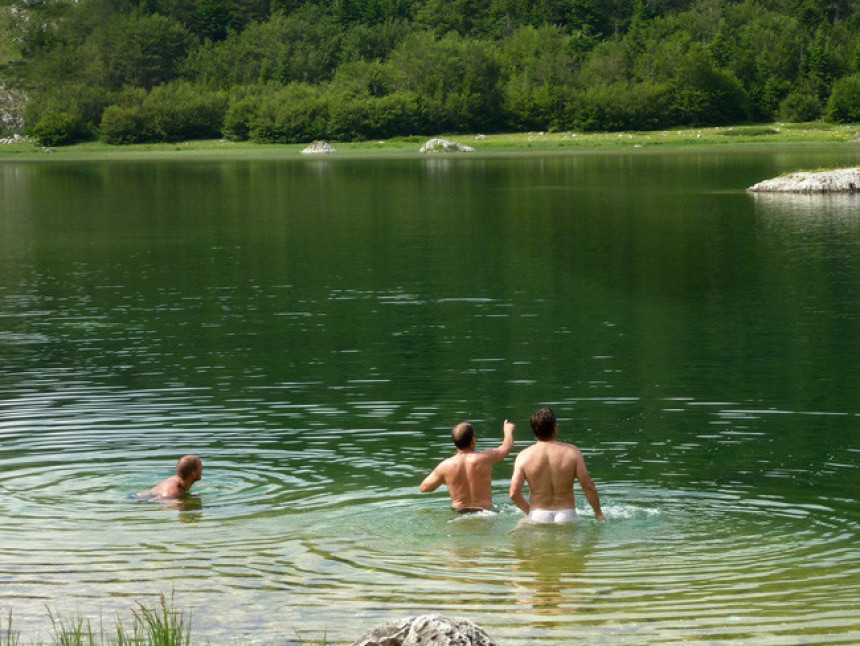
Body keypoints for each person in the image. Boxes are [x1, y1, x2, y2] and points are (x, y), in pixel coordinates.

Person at [510, 408, 606, 523]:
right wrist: (598, 513)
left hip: (538, 514)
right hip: (566, 514)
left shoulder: (524, 456)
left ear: (534, 431)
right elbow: (588, 486)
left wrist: (529, 511)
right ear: (555, 429)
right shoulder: (572, 452)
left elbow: (514, 493)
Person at [420, 420, 516, 512]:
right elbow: (508, 446)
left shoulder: (445, 466)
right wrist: (507, 431)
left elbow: (424, 488)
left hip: (459, 513)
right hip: (485, 513)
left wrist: (448, 478)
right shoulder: (485, 458)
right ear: (473, 440)